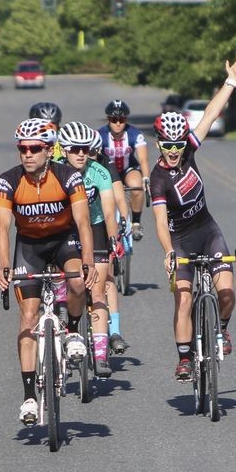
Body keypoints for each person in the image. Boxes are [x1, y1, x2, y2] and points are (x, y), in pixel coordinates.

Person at [150, 57, 236, 382]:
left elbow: (209, 114)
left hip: (208, 232)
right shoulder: (158, 179)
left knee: (227, 293)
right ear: (158, 144)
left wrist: (232, 81)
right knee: (182, 299)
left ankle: (221, 330)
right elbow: (160, 221)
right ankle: (183, 358)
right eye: (168, 145)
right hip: (181, 241)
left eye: (179, 144)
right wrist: (169, 251)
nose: (175, 150)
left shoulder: (190, 151)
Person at [0, 118, 96, 425]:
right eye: (23, 149)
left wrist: (88, 260)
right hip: (29, 247)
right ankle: (28, 396)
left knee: (78, 281)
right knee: (28, 316)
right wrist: (3, 266)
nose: (27, 154)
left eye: (35, 149)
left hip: (64, 241)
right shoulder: (8, 180)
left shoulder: (69, 176)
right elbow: (1, 227)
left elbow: (82, 222)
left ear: (49, 151)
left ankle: (75, 329)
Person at [58, 121, 122, 378]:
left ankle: (99, 354)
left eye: (85, 148)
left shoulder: (99, 172)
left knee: (97, 290)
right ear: (63, 150)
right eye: (75, 148)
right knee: (62, 284)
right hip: (64, 231)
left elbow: (109, 211)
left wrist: (114, 238)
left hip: (94, 229)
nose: (81, 153)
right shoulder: (54, 172)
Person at [91, 126, 131, 358]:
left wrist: (124, 218)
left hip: (100, 224)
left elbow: (117, 197)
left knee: (107, 278)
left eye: (95, 152)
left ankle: (114, 331)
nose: (90, 156)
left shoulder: (105, 167)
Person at [98, 99, 150, 241]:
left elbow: (143, 159)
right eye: (114, 119)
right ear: (108, 119)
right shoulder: (100, 135)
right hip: (108, 170)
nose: (118, 123)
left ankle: (136, 222)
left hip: (128, 168)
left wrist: (146, 178)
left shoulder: (134, 133)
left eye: (122, 119)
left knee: (136, 184)